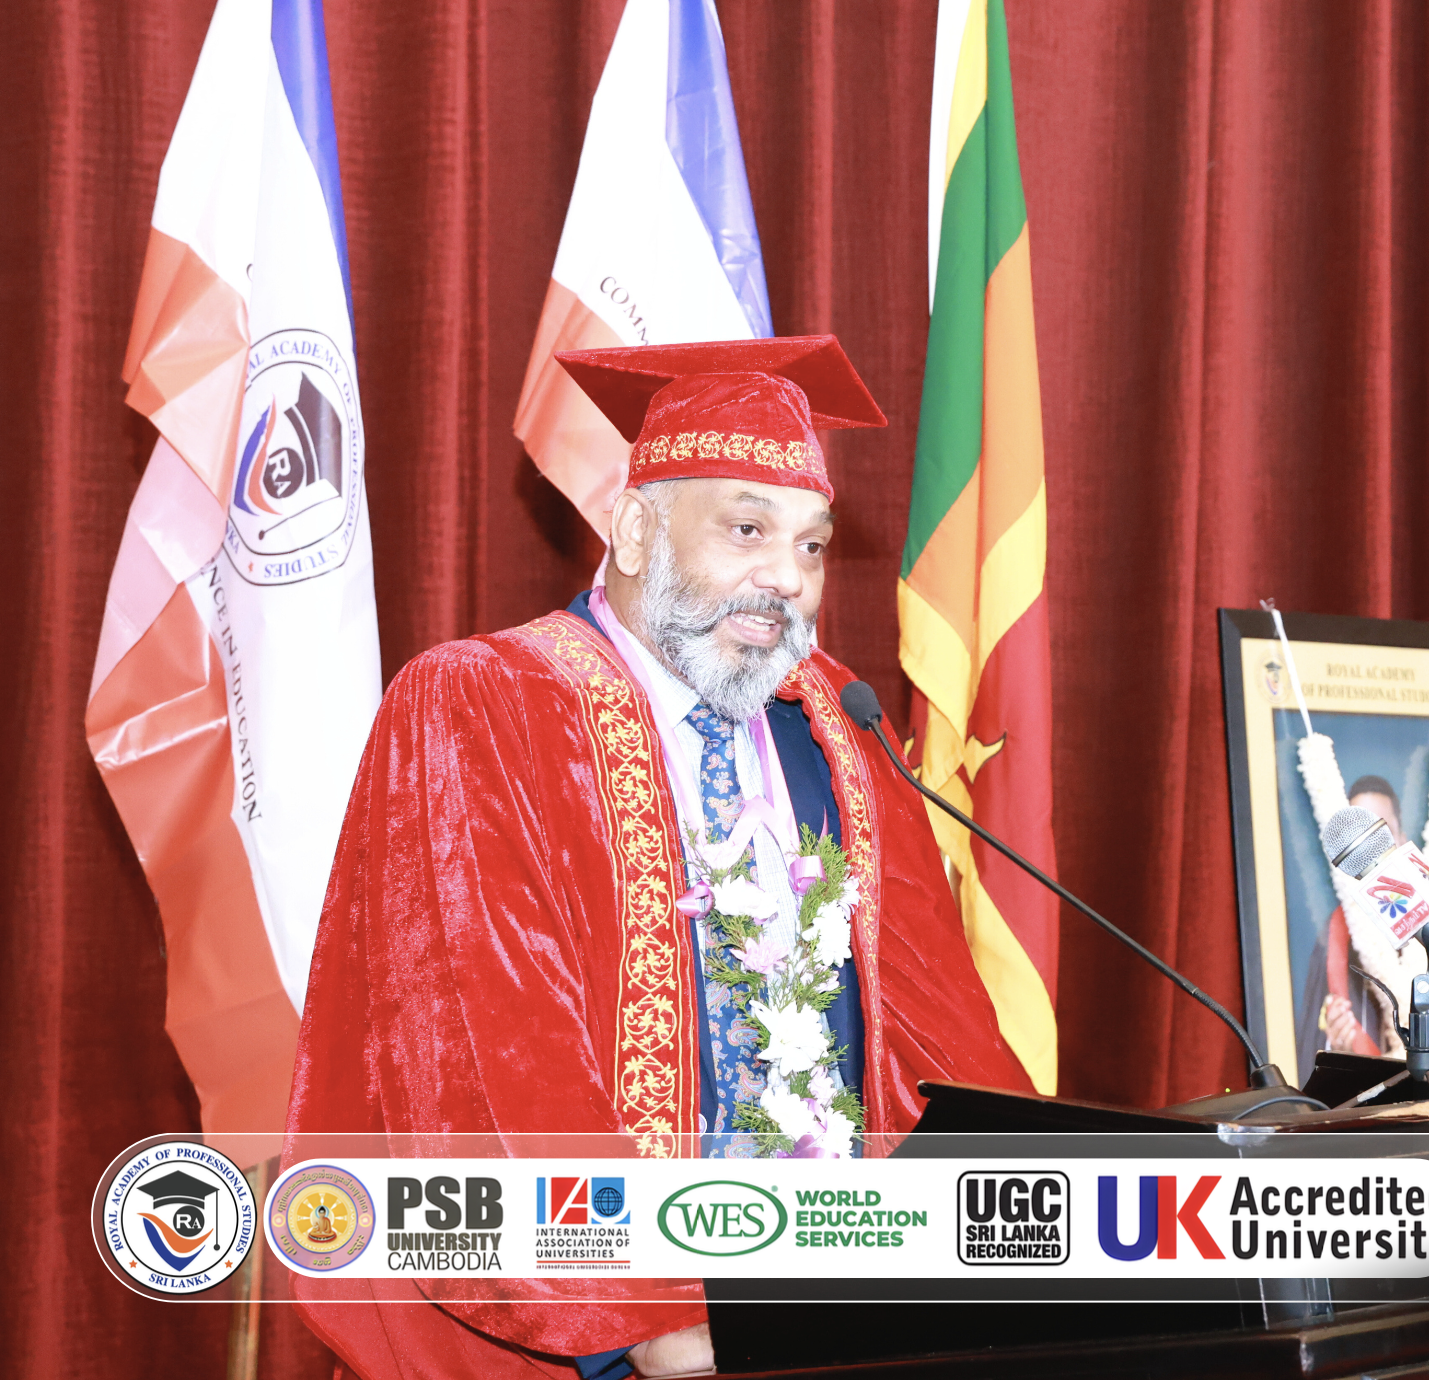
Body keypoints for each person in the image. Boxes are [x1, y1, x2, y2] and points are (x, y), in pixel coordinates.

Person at [283, 336, 1032, 1380]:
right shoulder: (485, 704)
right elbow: (484, 1054)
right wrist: (645, 1316)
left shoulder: (837, 727)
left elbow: (937, 1038)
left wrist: (1019, 1237)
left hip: (835, 1324)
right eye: (746, 530)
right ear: (635, 531)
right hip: (596, 1345)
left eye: (812, 546)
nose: (786, 579)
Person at [1297, 775, 1429, 1068]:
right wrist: (1339, 1051)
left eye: (1379, 835)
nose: (1369, 853)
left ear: (1400, 840)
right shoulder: (1334, 938)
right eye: (1358, 844)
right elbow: (1311, 1055)